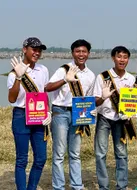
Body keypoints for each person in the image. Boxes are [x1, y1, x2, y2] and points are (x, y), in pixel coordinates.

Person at [45, 39, 96, 190]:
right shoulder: (64, 70)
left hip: (78, 114)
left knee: (75, 153)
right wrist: (64, 80)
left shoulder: (91, 75)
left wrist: (92, 111)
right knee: (59, 153)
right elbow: (48, 87)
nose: (81, 54)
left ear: (88, 54)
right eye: (78, 51)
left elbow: (89, 98)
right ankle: (58, 187)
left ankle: (76, 185)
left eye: (84, 51)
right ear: (73, 53)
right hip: (60, 112)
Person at [7, 37, 51, 190]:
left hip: (39, 115)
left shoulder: (43, 70)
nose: (37, 53)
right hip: (21, 115)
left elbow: (44, 93)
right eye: (34, 49)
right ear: (25, 49)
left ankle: (31, 187)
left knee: (41, 158)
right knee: (22, 159)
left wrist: (48, 111)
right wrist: (19, 77)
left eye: (39, 50)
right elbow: (12, 99)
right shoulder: (14, 72)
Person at [93, 46, 135, 190]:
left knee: (122, 154)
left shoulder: (131, 78)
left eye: (125, 57)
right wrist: (103, 97)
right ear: (113, 58)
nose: (122, 60)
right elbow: (95, 101)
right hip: (104, 117)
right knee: (100, 153)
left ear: (128, 59)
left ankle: (122, 186)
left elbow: (133, 102)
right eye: (119, 56)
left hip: (121, 120)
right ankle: (103, 186)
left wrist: (131, 112)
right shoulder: (103, 77)